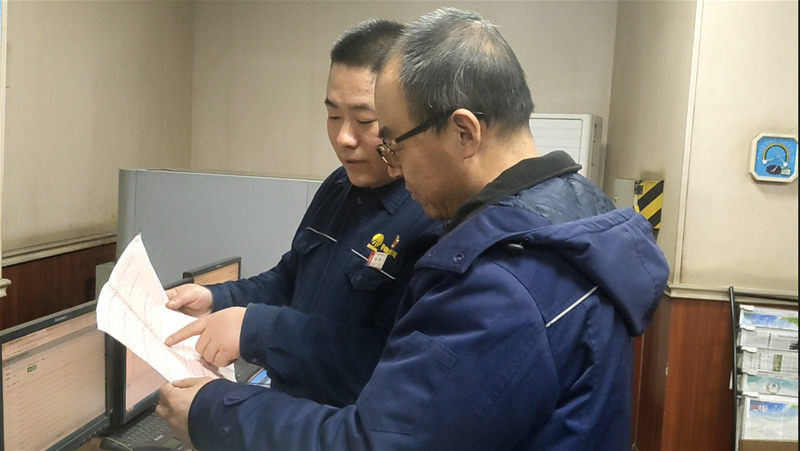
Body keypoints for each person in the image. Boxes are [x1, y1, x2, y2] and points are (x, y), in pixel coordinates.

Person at [157, 8, 670, 450]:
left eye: (394, 142)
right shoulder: (573, 209)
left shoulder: (502, 283)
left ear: (464, 132)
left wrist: (212, 411)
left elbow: (379, 440)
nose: (393, 164)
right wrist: (223, 301)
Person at [162, 19, 441, 408]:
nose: (343, 138)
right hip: (286, 411)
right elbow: (289, 279)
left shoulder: (430, 214)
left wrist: (259, 330)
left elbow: (381, 360)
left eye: (365, 121)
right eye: (333, 116)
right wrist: (215, 297)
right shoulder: (339, 187)